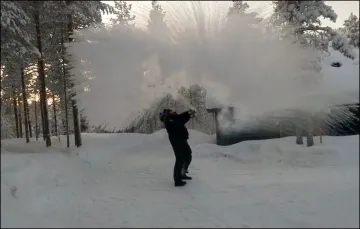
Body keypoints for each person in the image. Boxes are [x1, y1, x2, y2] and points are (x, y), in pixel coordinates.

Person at [160, 108, 196, 187]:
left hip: (182, 140)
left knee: (188, 155)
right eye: (171, 111)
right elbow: (180, 121)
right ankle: (177, 180)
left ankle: (182, 173)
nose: (173, 111)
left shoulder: (174, 117)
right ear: (168, 113)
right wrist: (188, 115)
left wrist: (188, 112)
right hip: (176, 141)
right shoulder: (168, 120)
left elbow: (181, 117)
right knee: (180, 158)